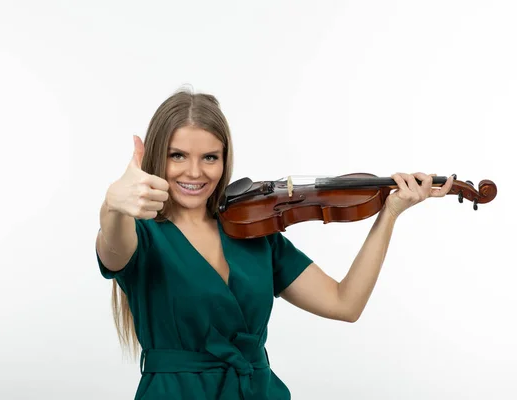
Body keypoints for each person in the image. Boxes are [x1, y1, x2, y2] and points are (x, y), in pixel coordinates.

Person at [95, 88, 454, 400]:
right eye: (178, 156)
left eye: (209, 157)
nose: (194, 172)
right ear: (158, 156)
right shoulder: (139, 233)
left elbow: (346, 303)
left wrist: (389, 213)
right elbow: (112, 247)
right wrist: (113, 204)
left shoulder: (252, 229)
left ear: (225, 159)